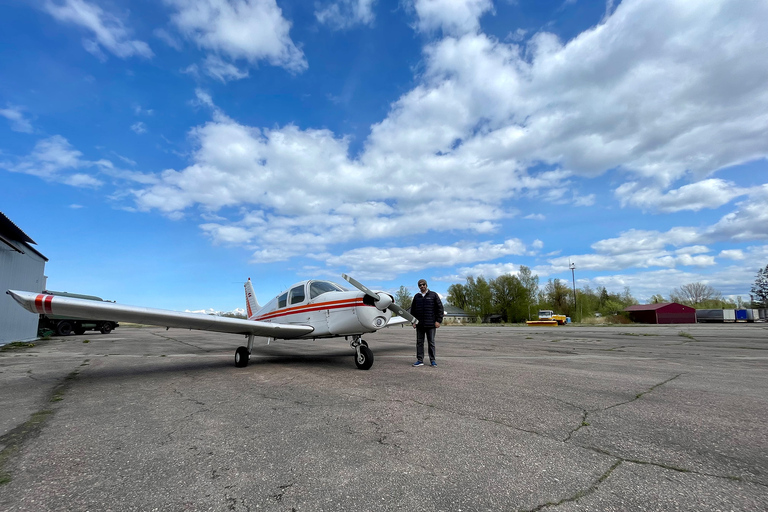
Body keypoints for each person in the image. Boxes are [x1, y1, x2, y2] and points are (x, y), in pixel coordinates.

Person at [410, 279, 444, 367]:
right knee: (419, 342)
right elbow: (413, 310)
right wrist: (413, 322)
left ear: (426, 285)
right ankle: (420, 360)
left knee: (431, 342)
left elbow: (440, 309)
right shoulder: (416, 297)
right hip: (420, 324)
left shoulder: (433, 295)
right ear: (419, 287)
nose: (422, 286)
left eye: (423, 284)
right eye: (420, 285)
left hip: (431, 324)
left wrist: (438, 321)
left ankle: (432, 360)